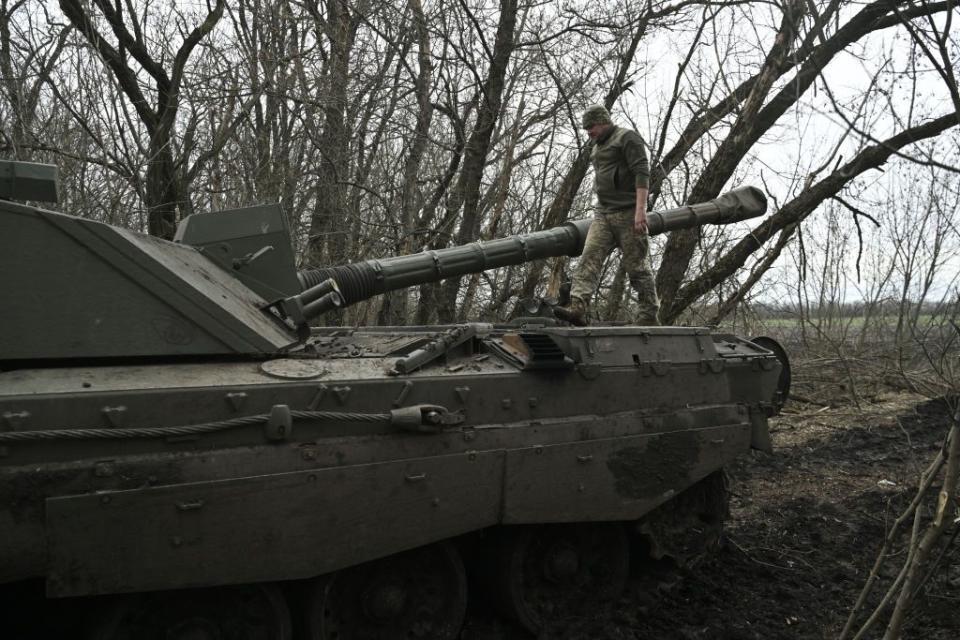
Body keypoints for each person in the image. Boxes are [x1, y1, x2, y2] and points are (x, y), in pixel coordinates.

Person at [555, 104, 661, 326]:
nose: (589, 132)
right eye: (586, 129)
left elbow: (642, 173)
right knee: (589, 258)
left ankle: (648, 314)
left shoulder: (627, 138)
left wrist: (640, 211)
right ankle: (577, 306)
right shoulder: (596, 147)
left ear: (603, 121)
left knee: (637, 267)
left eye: (591, 127)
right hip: (603, 213)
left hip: (629, 212)